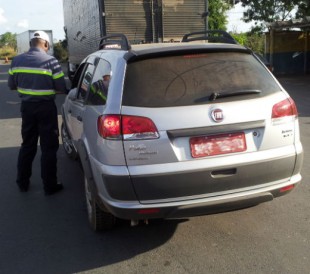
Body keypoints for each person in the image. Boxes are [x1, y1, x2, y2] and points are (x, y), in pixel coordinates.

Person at [8, 30, 68, 195]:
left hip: (27, 109)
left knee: (27, 145)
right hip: (46, 109)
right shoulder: (51, 61)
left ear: (30, 44)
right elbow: (61, 88)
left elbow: (12, 86)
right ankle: (49, 186)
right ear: (46, 44)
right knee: (49, 147)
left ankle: (22, 183)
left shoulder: (16, 61)